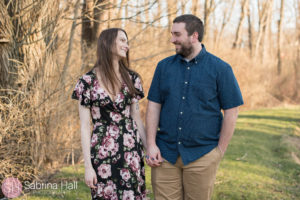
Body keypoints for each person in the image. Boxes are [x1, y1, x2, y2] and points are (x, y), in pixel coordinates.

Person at [146, 14, 244, 200]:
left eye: (177, 34)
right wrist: (151, 144)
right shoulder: (163, 67)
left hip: (203, 154)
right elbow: (153, 106)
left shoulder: (220, 69)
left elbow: (232, 110)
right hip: (165, 155)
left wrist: (219, 151)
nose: (172, 39)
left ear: (194, 36)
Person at [72, 28, 147, 200]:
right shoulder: (87, 82)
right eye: (122, 40)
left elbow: (136, 118)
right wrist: (88, 167)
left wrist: (149, 148)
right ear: (107, 42)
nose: (126, 45)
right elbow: (84, 127)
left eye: (126, 42)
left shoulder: (132, 79)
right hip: (101, 154)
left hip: (131, 152)